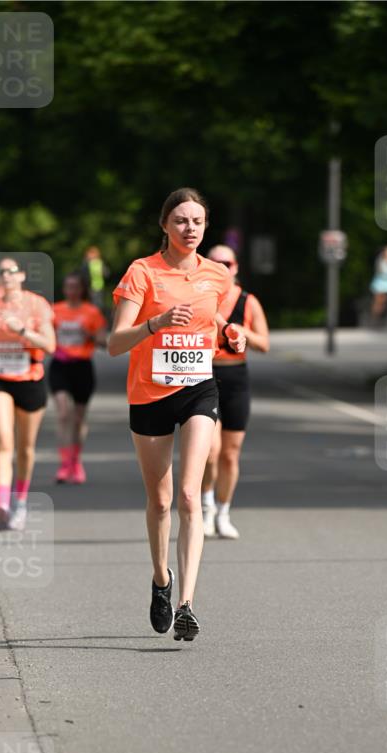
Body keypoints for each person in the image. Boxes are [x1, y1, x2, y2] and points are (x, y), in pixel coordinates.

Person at [109, 187, 245, 641]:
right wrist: (156, 324)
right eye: (182, 220)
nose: (190, 229)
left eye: (198, 222)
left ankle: (187, 602)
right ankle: (161, 580)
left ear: (207, 228)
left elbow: (214, 321)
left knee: (189, 495)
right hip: (149, 393)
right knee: (162, 500)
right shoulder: (142, 273)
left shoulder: (217, 275)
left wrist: (233, 334)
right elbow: (114, 343)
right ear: (164, 225)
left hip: (198, 389)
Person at [0, 258, 55, 531]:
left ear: (21, 275)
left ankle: (20, 502)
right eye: (1, 272)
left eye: (11, 271)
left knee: (25, 449)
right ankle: (1, 504)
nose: (5, 275)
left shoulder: (36, 304)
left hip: (30, 379)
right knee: (3, 442)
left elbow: (50, 345)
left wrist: (22, 330)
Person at [200, 245, 270, 539]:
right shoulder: (200, 298)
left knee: (230, 454)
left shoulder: (248, 301)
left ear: (236, 266)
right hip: (204, 375)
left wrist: (241, 331)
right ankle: (205, 509)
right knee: (210, 452)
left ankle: (224, 512)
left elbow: (264, 344)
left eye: (226, 262)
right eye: (214, 262)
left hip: (236, 377)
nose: (221, 266)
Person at [50, 272, 107, 483]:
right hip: (60, 366)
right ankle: (64, 464)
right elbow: (46, 336)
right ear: (64, 289)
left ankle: (76, 460)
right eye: (68, 286)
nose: (72, 290)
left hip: (83, 367)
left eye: (75, 286)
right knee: (64, 414)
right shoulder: (55, 311)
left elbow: (103, 342)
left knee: (79, 418)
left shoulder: (91, 312)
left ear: (81, 289)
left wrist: (89, 335)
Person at [81, 246, 110, 311]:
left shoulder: (97, 263)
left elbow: (106, 273)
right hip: (91, 287)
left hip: (97, 287)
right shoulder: (89, 263)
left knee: (96, 304)